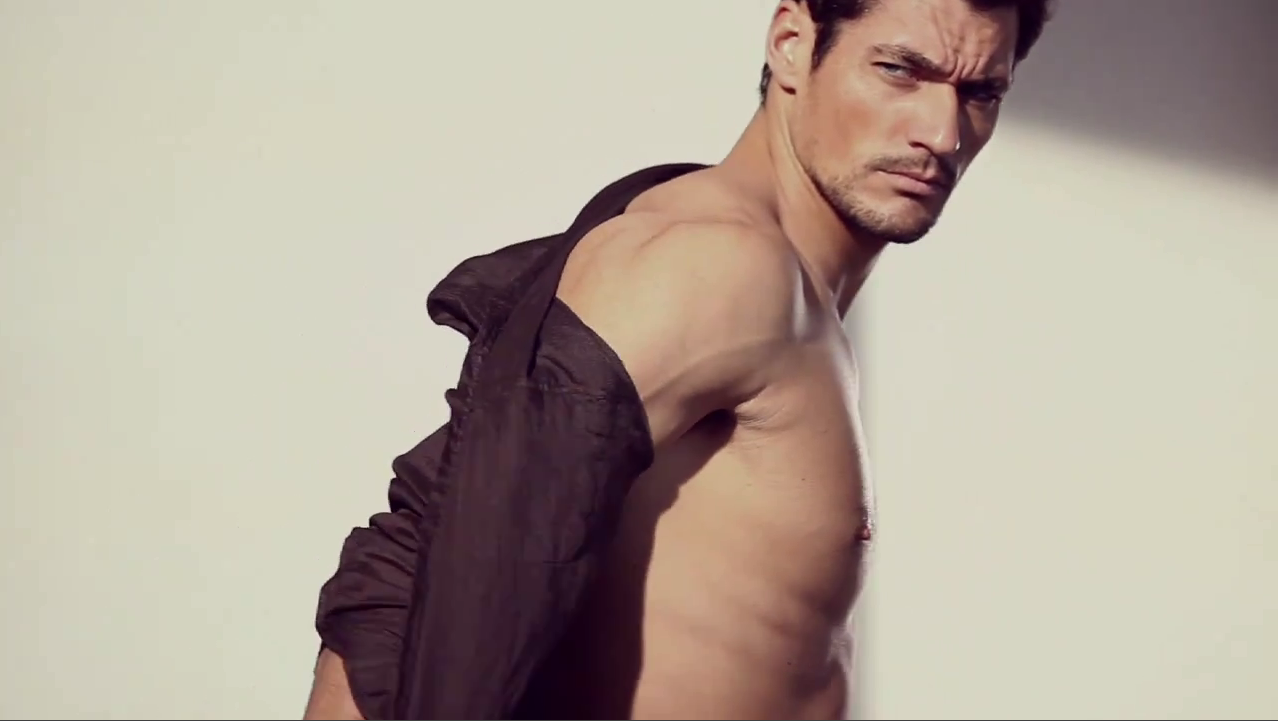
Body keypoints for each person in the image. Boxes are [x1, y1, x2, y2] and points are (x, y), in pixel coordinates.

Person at [303, 0, 1053, 718]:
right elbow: (424, 552)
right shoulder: (719, 265)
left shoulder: (786, 288)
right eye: (900, 70)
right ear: (792, 43)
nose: (942, 133)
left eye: (980, 93)